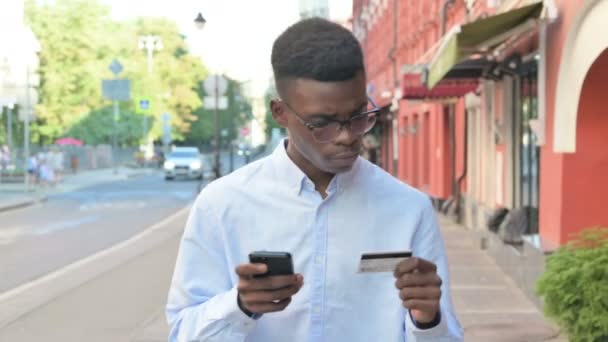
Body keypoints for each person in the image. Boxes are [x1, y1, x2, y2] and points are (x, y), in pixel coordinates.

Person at [166, 18, 463, 342]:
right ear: (280, 113)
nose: (347, 136)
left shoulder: (409, 209)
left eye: (358, 116)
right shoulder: (221, 205)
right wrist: (239, 306)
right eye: (323, 124)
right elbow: (183, 332)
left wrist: (428, 320)